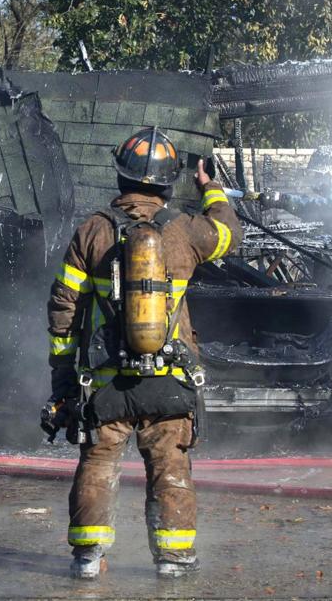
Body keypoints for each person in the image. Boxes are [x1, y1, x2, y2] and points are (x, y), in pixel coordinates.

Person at [45, 126, 242, 580]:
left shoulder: (92, 232)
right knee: (170, 464)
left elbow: (63, 311)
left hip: (106, 381)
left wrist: (63, 379)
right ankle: (174, 560)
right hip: (170, 379)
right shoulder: (185, 232)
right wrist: (210, 188)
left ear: (120, 178)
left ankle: (88, 559)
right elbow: (231, 234)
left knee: (97, 461)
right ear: (167, 183)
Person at [258, 146, 332, 231]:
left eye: (323, 175)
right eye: (317, 176)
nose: (320, 181)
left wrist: (282, 200)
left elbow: (322, 208)